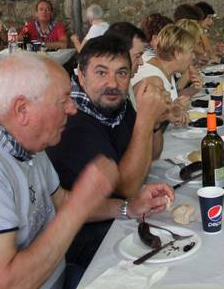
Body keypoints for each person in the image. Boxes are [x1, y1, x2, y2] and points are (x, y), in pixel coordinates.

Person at [0, 52, 174, 289]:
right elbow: (8, 283)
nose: (72, 109)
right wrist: (82, 202)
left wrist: (129, 207)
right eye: (63, 100)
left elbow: (61, 202)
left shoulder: (25, 142)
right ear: (22, 109)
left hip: (57, 277)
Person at [47, 35, 169, 268]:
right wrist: (145, 118)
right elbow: (126, 188)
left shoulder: (115, 104)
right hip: (88, 249)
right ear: (81, 77)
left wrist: (154, 121)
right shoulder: (73, 123)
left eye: (121, 73)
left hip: (124, 220)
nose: (112, 83)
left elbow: (153, 155)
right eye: (101, 73)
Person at [131, 24, 197, 105]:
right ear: (177, 54)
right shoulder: (153, 80)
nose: (193, 57)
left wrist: (193, 89)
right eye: (191, 51)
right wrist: (173, 109)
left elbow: (171, 100)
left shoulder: (165, 70)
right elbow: (145, 112)